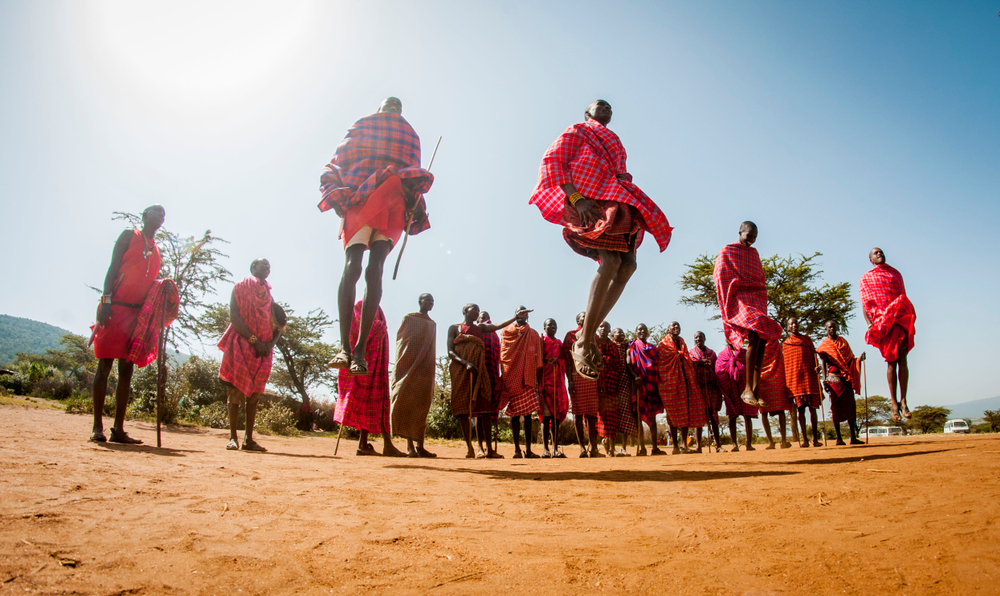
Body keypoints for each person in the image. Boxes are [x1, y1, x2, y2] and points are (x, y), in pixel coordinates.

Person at [529, 100, 672, 380]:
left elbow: (617, 173)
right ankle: (583, 341)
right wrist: (576, 198)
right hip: (589, 201)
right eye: (599, 105)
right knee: (609, 260)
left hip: (616, 199)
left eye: (609, 106)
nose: (607, 108)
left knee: (628, 265)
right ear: (587, 113)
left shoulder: (614, 141)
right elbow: (555, 163)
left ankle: (587, 334)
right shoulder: (577, 131)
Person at [321, 97, 435, 376]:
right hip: (361, 196)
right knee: (355, 267)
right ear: (382, 107)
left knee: (374, 271)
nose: (393, 110)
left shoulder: (406, 134)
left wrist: (413, 200)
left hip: (393, 202)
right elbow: (342, 159)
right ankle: (345, 348)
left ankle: (357, 351)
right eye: (391, 106)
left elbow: (411, 170)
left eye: (396, 107)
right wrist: (339, 194)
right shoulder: (366, 125)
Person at [89, 205, 178, 444]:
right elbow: (113, 267)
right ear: (144, 216)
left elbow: (150, 283)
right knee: (104, 367)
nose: (160, 216)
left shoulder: (156, 250)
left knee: (126, 371)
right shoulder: (129, 235)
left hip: (137, 316)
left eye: (164, 214)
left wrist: (164, 286)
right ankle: (97, 427)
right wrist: (106, 299)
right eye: (156, 212)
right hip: (115, 307)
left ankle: (118, 428)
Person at [713, 221, 783, 408]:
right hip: (739, 297)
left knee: (761, 339)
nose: (751, 240)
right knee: (753, 335)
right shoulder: (728, 250)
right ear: (740, 232)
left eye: (754, 238)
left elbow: (760, 276)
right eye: (748, 236)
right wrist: (736, 285)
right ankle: (747, 388)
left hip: (756, 298)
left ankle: (755, 388)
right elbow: (720, 274)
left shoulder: (754, 254)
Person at [218, 259, 284, 452]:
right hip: (242, 344)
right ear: (253, 268)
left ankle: (248, 439)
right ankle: (233, 438)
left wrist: (269, 345)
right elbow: (234, 317)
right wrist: (254, 340)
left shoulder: (269, 297)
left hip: (263, 351)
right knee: (234, 392)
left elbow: (278, 325)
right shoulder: (239, 287)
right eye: (263, 264)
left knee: (255, 395)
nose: (267, 268)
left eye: (269, 266)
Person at [448, 304, 526, 458]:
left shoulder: (481, 328)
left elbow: (498, 325)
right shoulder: (454, 328)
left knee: (484, 409)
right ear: (465, 311)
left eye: (478, 310)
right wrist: (465, 363)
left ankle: (489, 450)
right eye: (474, 309)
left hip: (479, 371)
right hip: (460, 370)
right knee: (463, 410)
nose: (477, 312)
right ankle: (470, 448)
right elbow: (450, 351)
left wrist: (516, 317)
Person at [335, 301, 404, 457]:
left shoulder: (378, 309)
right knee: (363, 398)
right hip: (363, 359)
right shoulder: (360, 305)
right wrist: (379, 327)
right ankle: (375, 444)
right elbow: (358, 328)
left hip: (377, 360)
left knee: (376, 400)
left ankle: (367, 444)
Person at [860, 247, 915, 422]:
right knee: (891, 362)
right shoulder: (867, 278)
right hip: (883, 323)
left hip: (899, 319)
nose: (879, 254)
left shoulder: (896, 274)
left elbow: (902, 297)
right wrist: (870, 324)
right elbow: (866, 304)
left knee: (903, 359)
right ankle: (894, 404)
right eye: (875, 253)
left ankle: (904, 401)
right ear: (871, 260)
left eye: (881, 252)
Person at [389, 294, 437, 458]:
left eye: (432, 301)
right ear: (420, 302)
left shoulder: (432, 324)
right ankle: (409, 446)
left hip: (425, 368)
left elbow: (431, 347)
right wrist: (406, 363)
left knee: (422, 406)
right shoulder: (409, 319)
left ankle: (420, 446)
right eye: (427, 300)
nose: (430, 303)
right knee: (407, 404)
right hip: (409, 366)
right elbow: (403, 342)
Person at [500, 307, 543, 458]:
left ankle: (529, 450)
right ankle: (517, 450)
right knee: (515, 416)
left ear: (528, 316)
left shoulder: (533, 334)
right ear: (515, 314)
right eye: (520, 312)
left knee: (529, 415)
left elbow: (537, 356)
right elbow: (504, 354)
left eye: (525, 313)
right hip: (512, 376)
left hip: (527, 377)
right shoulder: (506, 332)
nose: (522, 315)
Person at [658, 322, 706, 454]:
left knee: (686, 412)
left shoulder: (682, 342)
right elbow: (663, 363)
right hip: (671, 383)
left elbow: (687, 359)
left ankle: (684, 445)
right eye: (673, 326)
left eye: (677, 326)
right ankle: (674, 447)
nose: (675, 328)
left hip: (685, 382)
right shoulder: (664, 344)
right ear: (668, 329)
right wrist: (676, 355)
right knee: (672, 415)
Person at [817, 320, 865, 445]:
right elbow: (823, 364)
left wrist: (859, 359)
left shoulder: (843, 342)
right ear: (826, 330)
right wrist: (824, 380)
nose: (832, 329)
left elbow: (851, 359)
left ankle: (853, 437)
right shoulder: (824, 346)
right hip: (834, 380)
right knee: (836, 408)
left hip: (847, 379)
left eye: (833, 327)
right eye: (829, 327)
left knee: (851, 407)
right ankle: (839, 438)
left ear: (837, 328)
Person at [562, 312, 601, 457]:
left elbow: (598, 357)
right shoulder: (570, 335)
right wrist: (570, 381)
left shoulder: (594, 336)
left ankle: (594, 447)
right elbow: (567, 359)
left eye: (587, 316)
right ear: (577, 320)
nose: (585, 318)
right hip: (576, 376)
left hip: (591, 377)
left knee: (592, 413)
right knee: (578, 413)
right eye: (582, 317)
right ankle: (582, 448)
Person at [783, 316, 823, 447]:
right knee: (801, 411)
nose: (794, 326)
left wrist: (817, 368)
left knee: (813, 410)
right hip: (796, 381)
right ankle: (805, 440)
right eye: (791, 324)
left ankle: (816, 439)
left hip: (810, 377)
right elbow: (787, 365)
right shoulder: (786, 344)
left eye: (796, 323)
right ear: (788, 327)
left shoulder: (807, 340)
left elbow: (814, 356)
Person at [628, 323, 665, 456]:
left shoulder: (653, 348)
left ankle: (655, 447)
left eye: (644, 330)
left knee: (652, 417)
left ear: (647, 333)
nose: (642, 331)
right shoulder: (631, 347)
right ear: (636, 332)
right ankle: (642, 447)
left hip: (651, 385)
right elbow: (629, 365)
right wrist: (635, 377)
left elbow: (657, 366)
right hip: (637, 384)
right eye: (639, 329)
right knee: (637, 416)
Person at [596, 323, 632, 456]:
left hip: (611, 385)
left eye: (606, 327)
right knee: (600, 416)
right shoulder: (594, 342)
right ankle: (602, 443)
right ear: (598, 329)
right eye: (601, 327)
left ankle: (612, 448)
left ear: (609, 331)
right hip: (596, 384)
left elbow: (616, 364)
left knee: (612, 416)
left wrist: (604, 361)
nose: (603, 329)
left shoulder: (612, 345)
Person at [715, 342, 757, 451]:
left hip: (744, 386)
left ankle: (749, 444)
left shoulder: (745, 353)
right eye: (730, 339)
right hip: (730, 388)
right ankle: (734, 444)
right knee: (732, 416)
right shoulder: (722, 355)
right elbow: (718, 371)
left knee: (747, 415)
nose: (732, 341)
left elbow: (752, 367)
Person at [539, 319, 570, 458]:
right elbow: (537, 360)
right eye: (549, 325)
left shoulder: (559, 343)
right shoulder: (541, 341)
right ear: (544, 327)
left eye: (554, 325)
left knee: (556, 418)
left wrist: (557, 362)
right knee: (546, 418)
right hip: (545, 383)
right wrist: (546, 361)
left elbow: (564, 360)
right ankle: (545, 449)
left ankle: (555, 448)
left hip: (557, 382)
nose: (552, 327)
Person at [757, 340, 794, 449]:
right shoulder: (756, 342)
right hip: (763, 379)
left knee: (780, 409)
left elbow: (780, 360)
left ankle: (783, 441)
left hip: (775, 376)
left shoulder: (774, 342)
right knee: (763, 411)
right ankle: (771, 442)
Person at [476, 310, 504, 454]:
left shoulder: (495, 336)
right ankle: (481, 448)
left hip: (492, 375)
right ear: (477, 320)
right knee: (480, 413)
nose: (485, 320)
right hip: (479, 374)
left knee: (488, 413)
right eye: (481, 318)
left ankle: (489, 448)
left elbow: (499, 358)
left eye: (487, 318)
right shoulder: (477, 332)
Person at [690, 331, 723, 452]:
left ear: (705, 338)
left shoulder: (711, 353)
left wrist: (708, 367)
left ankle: (718, 445)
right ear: (694, 340)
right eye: (696, 337)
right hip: (698, 388)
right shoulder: (691, 353)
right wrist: (698, 363)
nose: (698, 339)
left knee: (713, 415)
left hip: (710, 388)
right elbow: (689, 366)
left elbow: (717, 368)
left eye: (700, 337)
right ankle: (698, 446)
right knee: (699, 416)